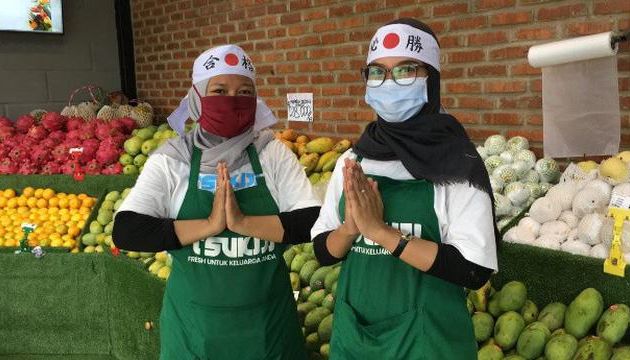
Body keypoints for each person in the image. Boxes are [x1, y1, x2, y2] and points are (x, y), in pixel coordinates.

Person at [113, 44, 321, 360]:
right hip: (195, 331)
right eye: (220, 90)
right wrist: (209, 225)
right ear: (197, 96)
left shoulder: (271, 153)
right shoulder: (172, 160)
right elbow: (128, 230)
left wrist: (244, 223)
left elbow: (311, 220)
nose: (232, 101)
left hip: (268, 328)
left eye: (244, 91)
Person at [311, 19, 499, 359]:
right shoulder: (353, 160)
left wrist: (382, 233)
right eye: (378, 72)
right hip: (356, 338)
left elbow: (473, 269)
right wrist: (351, 228)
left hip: (429, 343)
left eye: (406, 70)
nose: (389, 83)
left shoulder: (458, 165)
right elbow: (323, 251)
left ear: (432, 80)